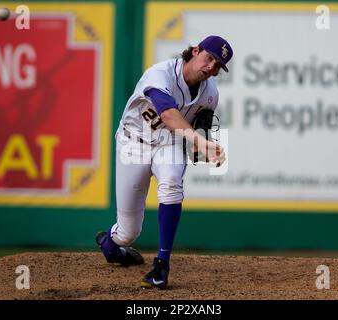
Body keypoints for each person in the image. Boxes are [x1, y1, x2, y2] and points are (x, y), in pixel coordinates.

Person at [96, 35, 234, 289]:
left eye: (218, 65)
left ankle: (162, 264)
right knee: (128, 233)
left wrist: (205, 144)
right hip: (133, 143)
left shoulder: (210, 93)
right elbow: (169, 114)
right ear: (195, 51)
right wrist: (198, 141)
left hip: (169, 145)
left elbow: (201, 125)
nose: (211, 67)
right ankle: (111, 244)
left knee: (172, 185)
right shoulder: (159, 74)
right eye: (209, 58)